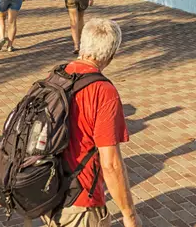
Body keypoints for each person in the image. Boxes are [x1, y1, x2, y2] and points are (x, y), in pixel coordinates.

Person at [45, 18, 140, 227]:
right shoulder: (103, 92)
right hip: (81, 200)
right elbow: (111, 164)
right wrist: (129, 214)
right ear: (112, 53)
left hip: (48, 189)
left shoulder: (57, 75)